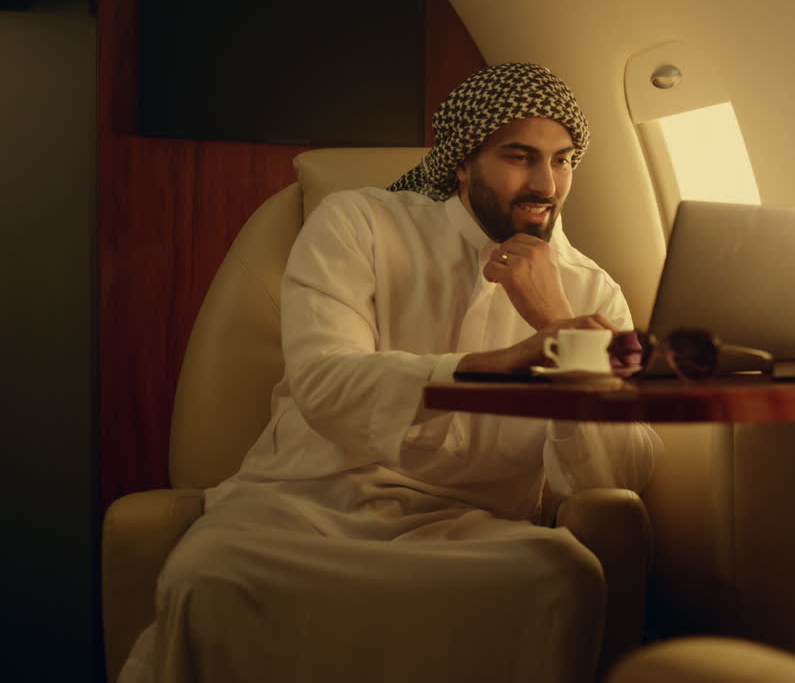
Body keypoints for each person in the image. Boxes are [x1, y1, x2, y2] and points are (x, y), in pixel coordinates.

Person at [119, 62, 663, 683]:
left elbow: (618, 471)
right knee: (211, 574)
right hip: (301, 510)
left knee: (563, 576)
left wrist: (560, 329)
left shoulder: (591, 288)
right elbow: (325, 384)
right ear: (462, 162)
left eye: (563, 160)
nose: (547, 183)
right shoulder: (359, 223)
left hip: (473, 528)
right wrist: (492, 367)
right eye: (520, 157)